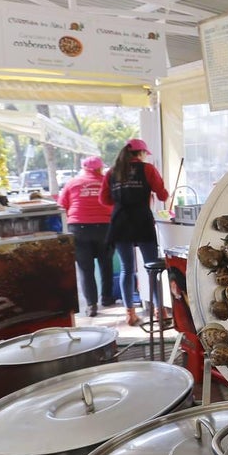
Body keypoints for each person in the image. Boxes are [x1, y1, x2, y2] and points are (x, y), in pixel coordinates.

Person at [100, 138, 168, 326]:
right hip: (142, 221)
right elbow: (162, 194)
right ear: (141, 153)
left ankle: (130, 314)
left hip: (120, 222)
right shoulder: (147, 169)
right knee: (151, 267)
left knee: (126, 269)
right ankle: (160, 311)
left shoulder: (112, 172)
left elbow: (104, 199)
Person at [58, 156, 116, 317]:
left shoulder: (72, 183)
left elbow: (63, 205)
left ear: (84, 168)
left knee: (85, 269)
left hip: (79, 228)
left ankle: (91, 305)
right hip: (105, 227)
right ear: (100, 168)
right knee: (106, 264)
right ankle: (107, 298)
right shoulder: (107, 181)